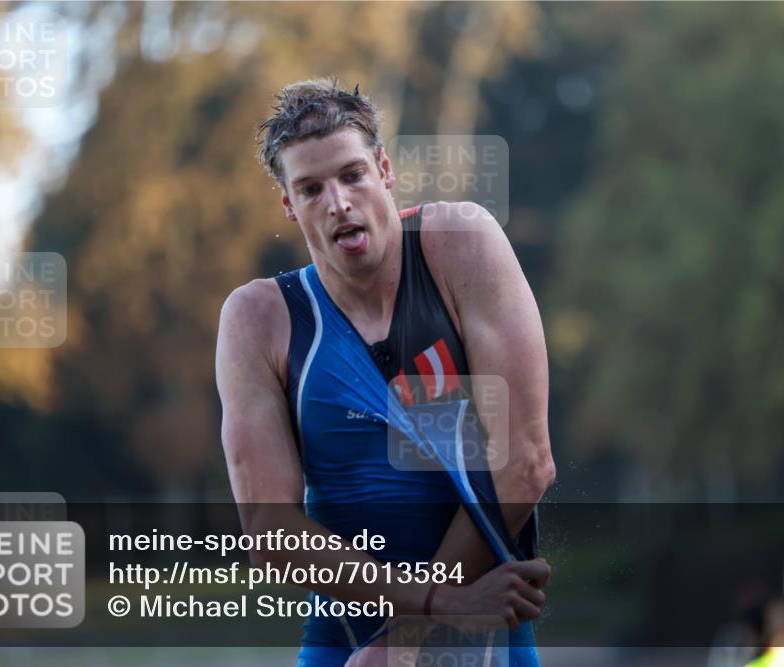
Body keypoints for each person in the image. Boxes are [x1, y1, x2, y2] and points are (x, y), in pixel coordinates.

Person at [216, 77, 555, 667]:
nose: (339, 203)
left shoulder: (459, 244)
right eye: (312, 188)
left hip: (479, 631)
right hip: (345, 642)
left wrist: (412, 634)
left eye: (352, 175)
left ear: (385, 169)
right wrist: (427, 608)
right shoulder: (257, 319)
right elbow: (271, 530)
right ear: (289, 206)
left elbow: (526, 461)